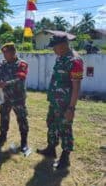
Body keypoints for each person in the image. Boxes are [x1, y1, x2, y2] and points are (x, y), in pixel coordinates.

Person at [37, 35, 84, 170]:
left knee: (65, 129)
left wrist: (71, 108)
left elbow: (76, 87)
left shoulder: (75, 61)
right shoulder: (61, 58)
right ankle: (51, 148)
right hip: (55, 101)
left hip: (65, 104)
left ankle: (65, 157)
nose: (53, 50)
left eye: (54, 46)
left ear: (63, 44)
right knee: (51, 123)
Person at [0, 42, 30, 153]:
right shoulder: (3, 63)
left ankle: (24, 141)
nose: (4, 55)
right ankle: (2, 136)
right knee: (3, 116)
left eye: (6, 53)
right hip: (5, 96)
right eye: (3, 53)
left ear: (13, 52)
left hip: (18, 96)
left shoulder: (22, 64)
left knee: (21, 118)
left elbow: (20, 79)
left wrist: (5, 84)